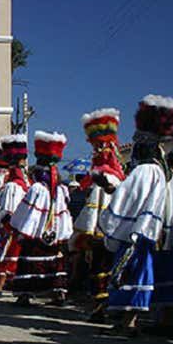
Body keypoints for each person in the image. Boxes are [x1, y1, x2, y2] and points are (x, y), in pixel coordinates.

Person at [99, 95, 173, 337]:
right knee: (162, 275)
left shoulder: (146, 170)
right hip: (161, 233)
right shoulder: (163, 171)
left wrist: (111, 194)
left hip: (141, 233)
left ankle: (129, 323)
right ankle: (165, 323)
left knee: (134, 273)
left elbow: (128, 199)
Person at [71, 108, 125, 322]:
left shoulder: (107, 179)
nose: (97, 151)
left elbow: (96, 207)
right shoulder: (111, 178)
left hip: (102, 233)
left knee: (101, 270)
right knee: (105, 270)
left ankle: (101, 308)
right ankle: (105, 307)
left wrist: (88, 232)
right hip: (111, 232)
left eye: (100, 147)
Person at [10, 131, 73, 306]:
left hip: (35, 236)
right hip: (53, 235)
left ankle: (25, 295)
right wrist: (61, 234)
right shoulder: (61, 190)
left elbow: (27, 213)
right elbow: (64, 214)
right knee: (54, 263)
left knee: (30, 262)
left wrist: (17, 226)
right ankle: (58, 294)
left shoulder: (37, 188)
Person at [0, 134, 30, 297]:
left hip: (11, 226)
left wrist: (1, 219)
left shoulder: (12, 186)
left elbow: (7, 209)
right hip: (23, 226)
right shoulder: (26, 184)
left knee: (6, 256)